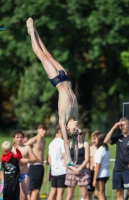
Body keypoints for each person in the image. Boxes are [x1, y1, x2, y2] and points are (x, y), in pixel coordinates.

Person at [26, 17, 81, 166]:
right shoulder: (75, 115)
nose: (77, 127)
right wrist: (76, 157)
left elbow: (67, 141)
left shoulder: (63, 120)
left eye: (74, 129)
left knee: (41, 55)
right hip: (66, 78)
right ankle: (35, 30)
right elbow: (75, 141)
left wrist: (70, 160)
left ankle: (31, 32)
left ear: (69, 130)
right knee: (49, 54)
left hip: (57, 80)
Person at [104, 117, 129, 200]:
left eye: (124, 125)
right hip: (117, 169)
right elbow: (106, 141)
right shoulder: (118, 137)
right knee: (119, 194)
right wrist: (114, 127)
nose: (122, 127)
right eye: (120, 126)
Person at [24, 123, 49, 200]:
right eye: (42, 130)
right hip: (34, 166)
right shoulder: (33, 140)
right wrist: (29, 159)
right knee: (35, 190)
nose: (44, 132)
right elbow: (22, 148)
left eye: (45, 130)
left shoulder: (44, 141)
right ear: (38, 130)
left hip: (41, 166)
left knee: (37, 190)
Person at [65, 130, 90, 200]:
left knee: (85, 194)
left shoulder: (85, 143)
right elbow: (67, 160)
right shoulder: (69, 144)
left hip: (82, 169)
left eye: (80, 133)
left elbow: (87, 159)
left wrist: (80, 168)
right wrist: (74, 169)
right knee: (69, 195)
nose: (78, 135)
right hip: (72, 169)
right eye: (76, 134)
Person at [13, 129, 37, 200]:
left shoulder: (27, 148)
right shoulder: (11, 149)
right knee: (14, 196)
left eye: (21, 137)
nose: (19, 139)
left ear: (23, 138)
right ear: (14, 138)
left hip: (24, 175)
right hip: (13, 175)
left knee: (23, 196)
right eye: (17, 137)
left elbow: (34, 159)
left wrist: (27, 160)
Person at [48, 126, 67, 200]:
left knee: (53, 191)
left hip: (54, 171)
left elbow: (49, 159)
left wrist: (53, 167)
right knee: (60, 192)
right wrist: (69, 167)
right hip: (62, 171)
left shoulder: (51, 143)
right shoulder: (62, 142)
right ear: (60, 131)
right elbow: (65, 157)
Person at [92, 132, 110, 200]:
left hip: (101, 174)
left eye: (95, 139)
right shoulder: (106, 149)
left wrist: (94, 179)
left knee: (100, 194)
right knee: (101, 193)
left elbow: (97, 166)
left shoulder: (99, 151)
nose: (94, 141)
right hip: (105, 173)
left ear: (100, 140)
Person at [87, 131, 98, 200]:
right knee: (89, 193)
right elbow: (87, 160)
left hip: (98, 172)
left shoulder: (101, 148)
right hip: (90, 171)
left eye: (95, 139)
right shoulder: (89, 148)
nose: (93, 141)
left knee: (99, 193)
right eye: (92, 139)